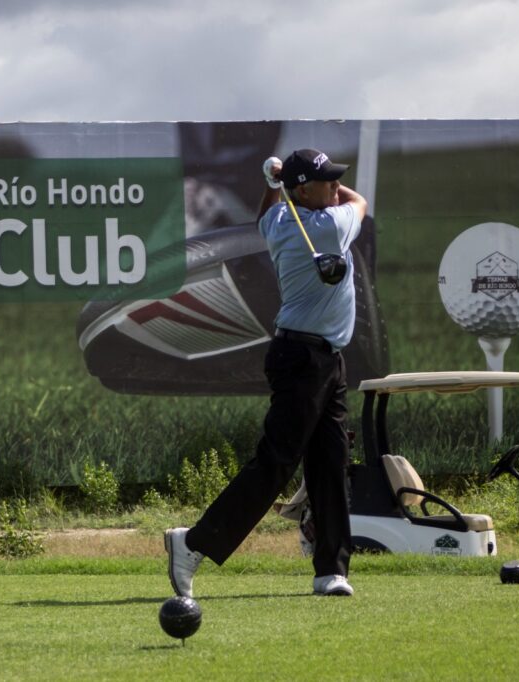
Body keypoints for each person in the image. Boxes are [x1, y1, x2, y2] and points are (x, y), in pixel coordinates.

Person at [165, 148, 368, 597]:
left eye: (336, 179)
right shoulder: (329, 226)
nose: (336, 186)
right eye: (327, 181)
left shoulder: (280, 224)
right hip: (302, 360)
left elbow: (266, 217)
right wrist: (284, 184)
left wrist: (271, 185)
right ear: (302, 190)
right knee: (276, 463)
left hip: (324, 360)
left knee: (330, 464)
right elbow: (360, 202)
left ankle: (330, 569)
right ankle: (193, 544)